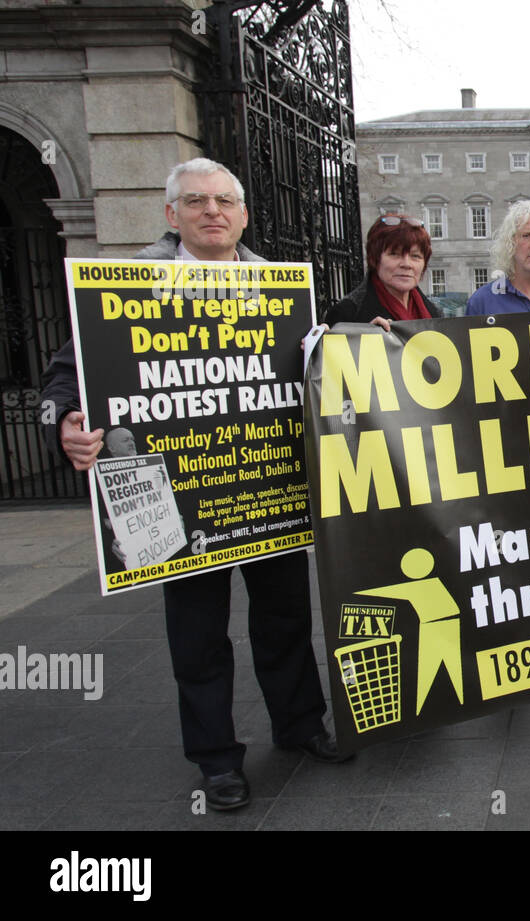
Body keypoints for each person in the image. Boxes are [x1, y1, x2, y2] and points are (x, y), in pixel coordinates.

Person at [40, 157, 348, 812]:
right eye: (197, 199)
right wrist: (64, 422)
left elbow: (322, 367)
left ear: (242, 213)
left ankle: (299, 725)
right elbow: (68, 375)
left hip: (267, 487)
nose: (213, 210)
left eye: (224, 200)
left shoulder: (281, 286)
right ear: (170, 212)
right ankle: (217, 760)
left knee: (286, 618)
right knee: (198, 635)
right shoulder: (127, 282)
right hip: (182, 496)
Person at [324, 214, 441, 328]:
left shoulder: (435, 314)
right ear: (375, 259)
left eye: (415, 256)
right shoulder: (347, 314)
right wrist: (365, 336)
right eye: (395, 254)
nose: (406, 264)